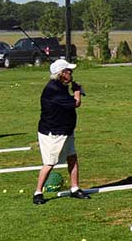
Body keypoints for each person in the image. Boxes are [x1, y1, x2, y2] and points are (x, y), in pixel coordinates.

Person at [34, 58, 91, 204]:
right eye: (69, 71)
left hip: (66, 130)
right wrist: (77, 91)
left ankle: (75, 188)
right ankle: (38, 193)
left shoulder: (60, 86)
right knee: (49, 163)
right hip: (53, 132)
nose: (71, 73)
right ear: (62, 74)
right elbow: (75, 103)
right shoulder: (54, 90)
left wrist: (73, 89)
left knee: (72, 157)